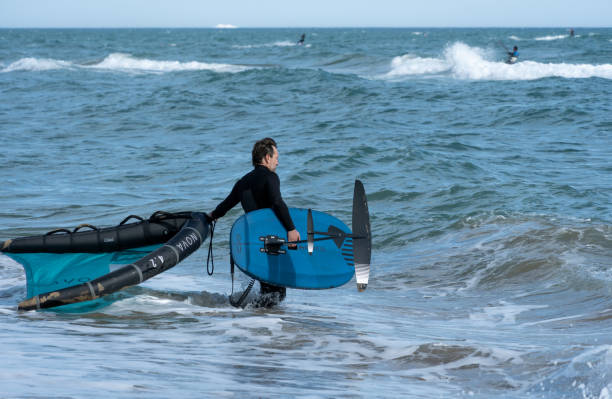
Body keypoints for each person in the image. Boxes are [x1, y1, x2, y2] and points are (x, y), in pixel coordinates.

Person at [208, 138, 300, 304]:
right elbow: (277, 202)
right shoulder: (270, 177)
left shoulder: (243, 182)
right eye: (276, 157)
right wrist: (291, 229)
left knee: (267, 286)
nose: (278, 162)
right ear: (266, 157)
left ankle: (256, 317)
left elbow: (225, 206)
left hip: (255, 242)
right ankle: (262, 319)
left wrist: (211, 216)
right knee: (278, 292)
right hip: (273, 240)